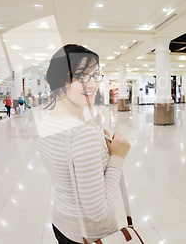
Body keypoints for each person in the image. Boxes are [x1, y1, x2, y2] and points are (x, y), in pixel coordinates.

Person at [37, 44, 131, 243]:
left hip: (61, 224)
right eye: (81, 76)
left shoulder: (46, 122)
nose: (92, 84)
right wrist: (117, 157)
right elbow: (98, 212)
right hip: (90, 236)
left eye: (95, 75)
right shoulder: (82, 133)